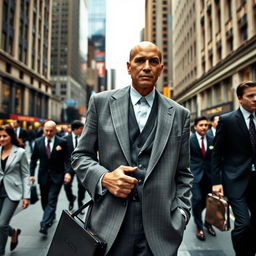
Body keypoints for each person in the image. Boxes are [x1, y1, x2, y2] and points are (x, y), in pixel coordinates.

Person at [71, 41, 193, 256]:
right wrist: (104, 178)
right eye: (140, 61)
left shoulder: (180, 113)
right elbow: (81, 156)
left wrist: (182, 213)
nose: (146, 67)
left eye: (153, 61)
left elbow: (183, 173)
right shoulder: (101, 102)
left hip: (161, 228)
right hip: (109, 224)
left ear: (161, 68)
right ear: (129, 67)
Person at [211, 81, 256, 256]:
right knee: (243, 223)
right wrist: (216, 183)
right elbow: (217, 155)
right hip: (235, 180)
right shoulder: (227, 120)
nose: (255, 98)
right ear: (239, 98)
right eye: (250, 96)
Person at [30, 120, 68, 236]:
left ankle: (44, 224)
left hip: (57, 176)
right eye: (46, 130)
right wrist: (31, 174)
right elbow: (33, 160)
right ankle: (50, 216)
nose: (49, 133)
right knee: (44, 201)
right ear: (43, 130)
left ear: (55, 130)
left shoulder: (62, 142)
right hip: (43, 176)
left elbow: (67, 159)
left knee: (52, 200)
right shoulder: (38, 142)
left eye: (51, 131)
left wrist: (68, 173)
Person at [0, 125, 30, 256]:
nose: (1, 138)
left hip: (12, 192)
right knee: (1, 225)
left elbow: (25, 174)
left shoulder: (20, 152)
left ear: (11, 136)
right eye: (0, 136)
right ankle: (14, 233)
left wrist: (26, 196)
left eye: (4, 136)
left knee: (1, 225)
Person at [190, 116, 216, 241]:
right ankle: (199, 227)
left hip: (209, 176)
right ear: (195, 127)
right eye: (201, 125)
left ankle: (208, 223)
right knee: (197, 200)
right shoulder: (189, 140)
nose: (204, 127)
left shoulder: (212, 139)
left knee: (209, 202)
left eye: (206, 125)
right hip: (195, 176)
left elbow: (216, 160)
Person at [63, 120, 85, 211]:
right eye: (81, 129)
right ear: (76, 129)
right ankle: (71, 199)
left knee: (82, 186)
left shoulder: (84, 138)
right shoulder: (65, 139)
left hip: (81, 166)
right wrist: (66, 171)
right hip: (69, 166)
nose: (83, 130)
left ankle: (80, 202)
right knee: (66, 185)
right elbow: (64, 156)